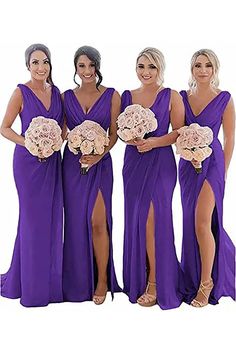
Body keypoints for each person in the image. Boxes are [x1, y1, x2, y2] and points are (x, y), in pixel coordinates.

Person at [0, 44, 64, 307]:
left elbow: (62, 126)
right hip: (28, 164)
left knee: (50, 221)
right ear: (28, 65)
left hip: (52, 164)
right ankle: (31, 287)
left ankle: (46, 283)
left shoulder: (57, 92)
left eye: (45, 62)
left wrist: (62, 139)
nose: (41, 68)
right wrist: (29, 142)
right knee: (32, 221)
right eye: (35, 62)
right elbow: (4, 128)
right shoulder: (21, 92)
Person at [121, 47, 185, 309]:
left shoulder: (172, 96)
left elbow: (179, 132)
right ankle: (140, 276)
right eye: (141, 66)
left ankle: (156, 282)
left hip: (160, 163)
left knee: (153, 220)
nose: (146, 72)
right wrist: (131, 136)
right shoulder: (127, 95)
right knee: (137, 220)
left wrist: (155, 141)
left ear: (160, 69)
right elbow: (118, 130)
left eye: (152, 67)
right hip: (134, 163)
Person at [62, 46, 121, 305]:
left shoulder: (111, 95)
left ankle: (102, 280)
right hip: (72, 166)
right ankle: (76, 281)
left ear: (98, 66)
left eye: (91, 65)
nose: (87, 71)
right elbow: (62, 130)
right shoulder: (65, 97)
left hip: (100, 165)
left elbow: (115, 133)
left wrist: (98, 153)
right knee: (75, 223)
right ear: (75, 68)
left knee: (98, 221)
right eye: (81, 66)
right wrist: (74, 142)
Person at [179, 49, 236, 307]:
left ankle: (206, 283)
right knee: (194, 223)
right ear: (192, 69)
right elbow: (178, 133)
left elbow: (230, 138)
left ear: (215, 69)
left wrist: (221, 173)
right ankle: (198, 272)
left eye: (208, 65)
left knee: (203, 222)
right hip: (187, 166)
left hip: (213, 166)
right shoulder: (182, 97)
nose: (203, 70)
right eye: (198, 65)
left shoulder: (224, 99)